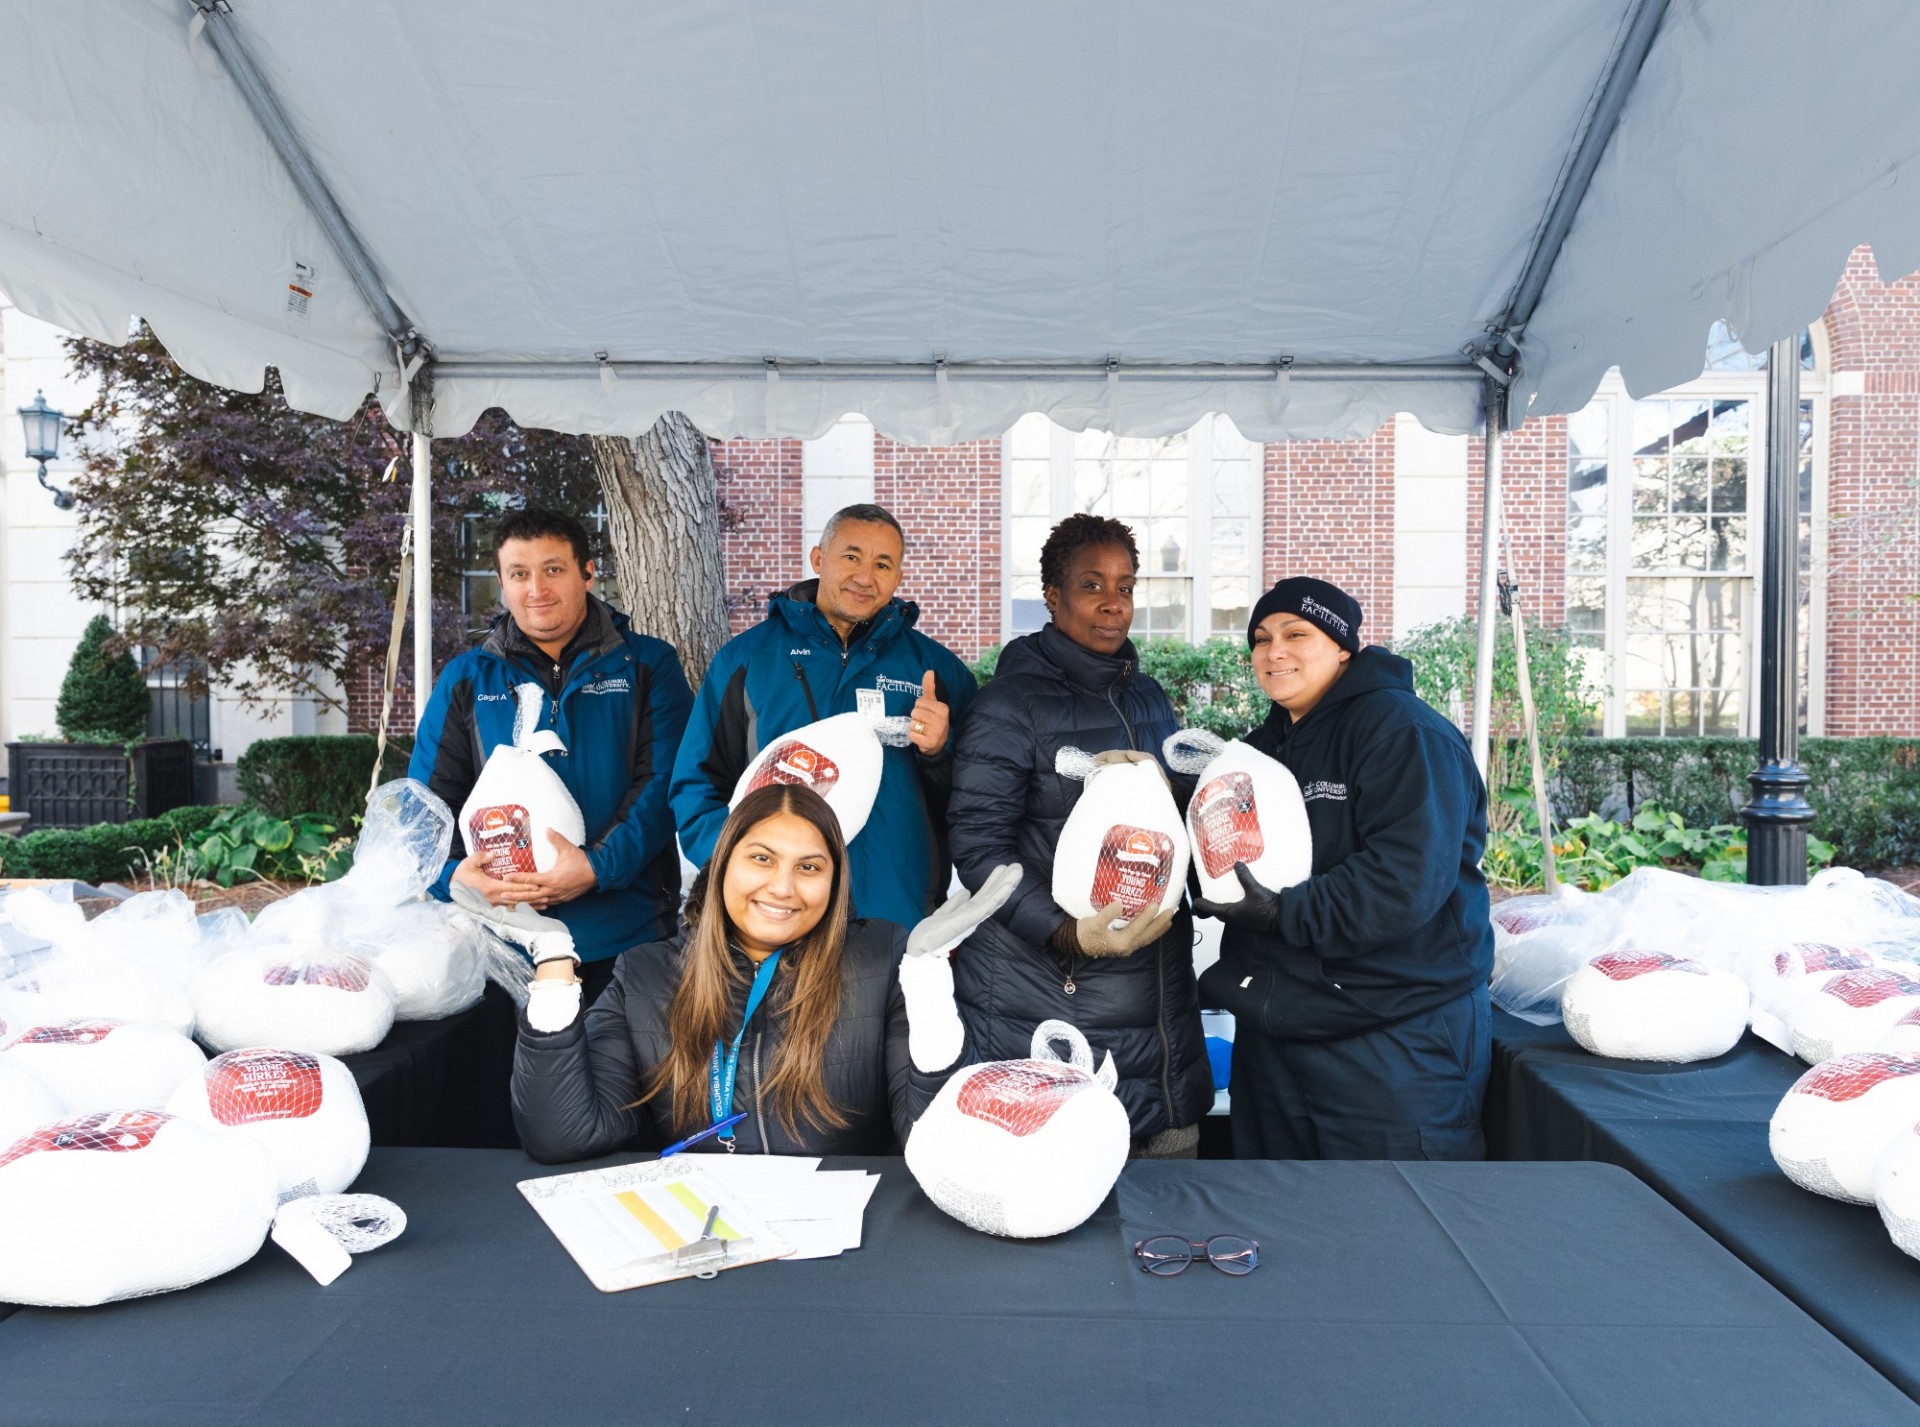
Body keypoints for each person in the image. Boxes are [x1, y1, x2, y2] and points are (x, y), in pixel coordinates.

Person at [511, 783, 1016, 1161]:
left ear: (835, 881)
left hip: (845, 1245)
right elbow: (563, 1136)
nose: (782, 888)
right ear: (723, 864)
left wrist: (928, 989)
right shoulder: (644, 973)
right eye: (761, 859)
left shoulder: (881, 958)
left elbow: (944, 1145)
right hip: (702, 1232)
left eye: (809, 868)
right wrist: (554, 964)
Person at [1193, 576, 1495, 1160]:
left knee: (1397, 1222)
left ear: (1342, 647)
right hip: (1280, 1026)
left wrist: (1284, 911)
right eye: (1260, 638)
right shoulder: (1262, 748)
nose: (1273, 650)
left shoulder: (1403, 732)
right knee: (1281, 1223)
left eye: (1295, 633)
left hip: (1394, 1031)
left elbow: (1405, 880)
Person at [946, 513, 1213, 1157]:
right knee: (1064, 1212)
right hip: (1049, 993)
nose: (1113, 603)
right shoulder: (1010, 706)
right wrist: (1067, 932)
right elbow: (979, 849)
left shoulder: (1149, 699)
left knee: (1169, 1215)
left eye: (1125, 585)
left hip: (1158, 1003)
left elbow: (1166, 829)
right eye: (1092, 585)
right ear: (1053, 597)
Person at [412, 508, 694, 1000]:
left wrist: (596, 868)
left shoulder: (649, 664)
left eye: (553, 569)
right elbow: (427, 808)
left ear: (588, 572)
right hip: (503, 940)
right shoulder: (466, 679)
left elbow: (665, 784)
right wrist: (455, 875)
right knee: (515, 1079)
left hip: (628, 935)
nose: (536, 589)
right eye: (519, 574)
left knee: (625, 1077)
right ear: (502, 583)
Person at [669, 502, 977, 928]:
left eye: (883, 564)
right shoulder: (748, 661)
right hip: (774, 916)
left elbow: (976, 804)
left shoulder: (938, 673)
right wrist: (738, 867)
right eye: (851, 557)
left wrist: (941, 753)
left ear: (899, 578)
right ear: (818, 559)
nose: (865, 577)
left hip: (894, 917)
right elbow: (696, 785)